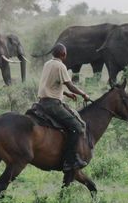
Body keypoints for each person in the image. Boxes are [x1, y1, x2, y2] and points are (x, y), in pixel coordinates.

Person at [37, 43, 92, 171]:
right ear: (63, 54)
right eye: (65, 53)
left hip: (41, 102)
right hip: (52, 104)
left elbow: (50, 84)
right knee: (78, 127)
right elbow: (70, 85)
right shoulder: (60, 66)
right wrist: (84, 94)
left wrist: (66, 93)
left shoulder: (47, 64)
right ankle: (70, 159)